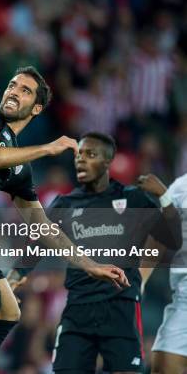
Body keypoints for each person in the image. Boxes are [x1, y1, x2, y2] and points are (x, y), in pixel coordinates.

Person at [0, 67, 130, 373]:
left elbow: (43, 227)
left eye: (25, 90)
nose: (14, 91)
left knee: (7, 310)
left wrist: (91, 265)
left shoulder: (20, 167)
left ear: (37, 108)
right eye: (12, 85)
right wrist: (47, 148)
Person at [34, 133, 181, 374]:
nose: (80, 160)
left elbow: (173, 239)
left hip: (120, 307)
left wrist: (164, 196)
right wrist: (18, 273)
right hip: (78, 307)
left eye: (89, 154)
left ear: (107, 162)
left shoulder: (133, 198)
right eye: (78, 154)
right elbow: (39, 240)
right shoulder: (65, 203)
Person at [151, 172, 187, 374]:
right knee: (164, 366)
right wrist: (141, 281)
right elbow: (157, 236)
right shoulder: (181, 187)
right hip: (184, 300)